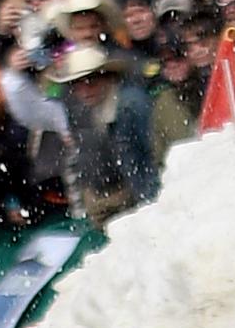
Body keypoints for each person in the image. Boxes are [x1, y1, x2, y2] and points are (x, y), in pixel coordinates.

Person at [53, 44, 157, 226]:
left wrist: (146, 206)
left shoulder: (131, 105)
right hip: (115, 197)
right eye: (77, 85)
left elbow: (146, 160)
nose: (85, 91)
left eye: (91, 82)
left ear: (108, 78)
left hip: (139, 200)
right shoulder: (88, 109)